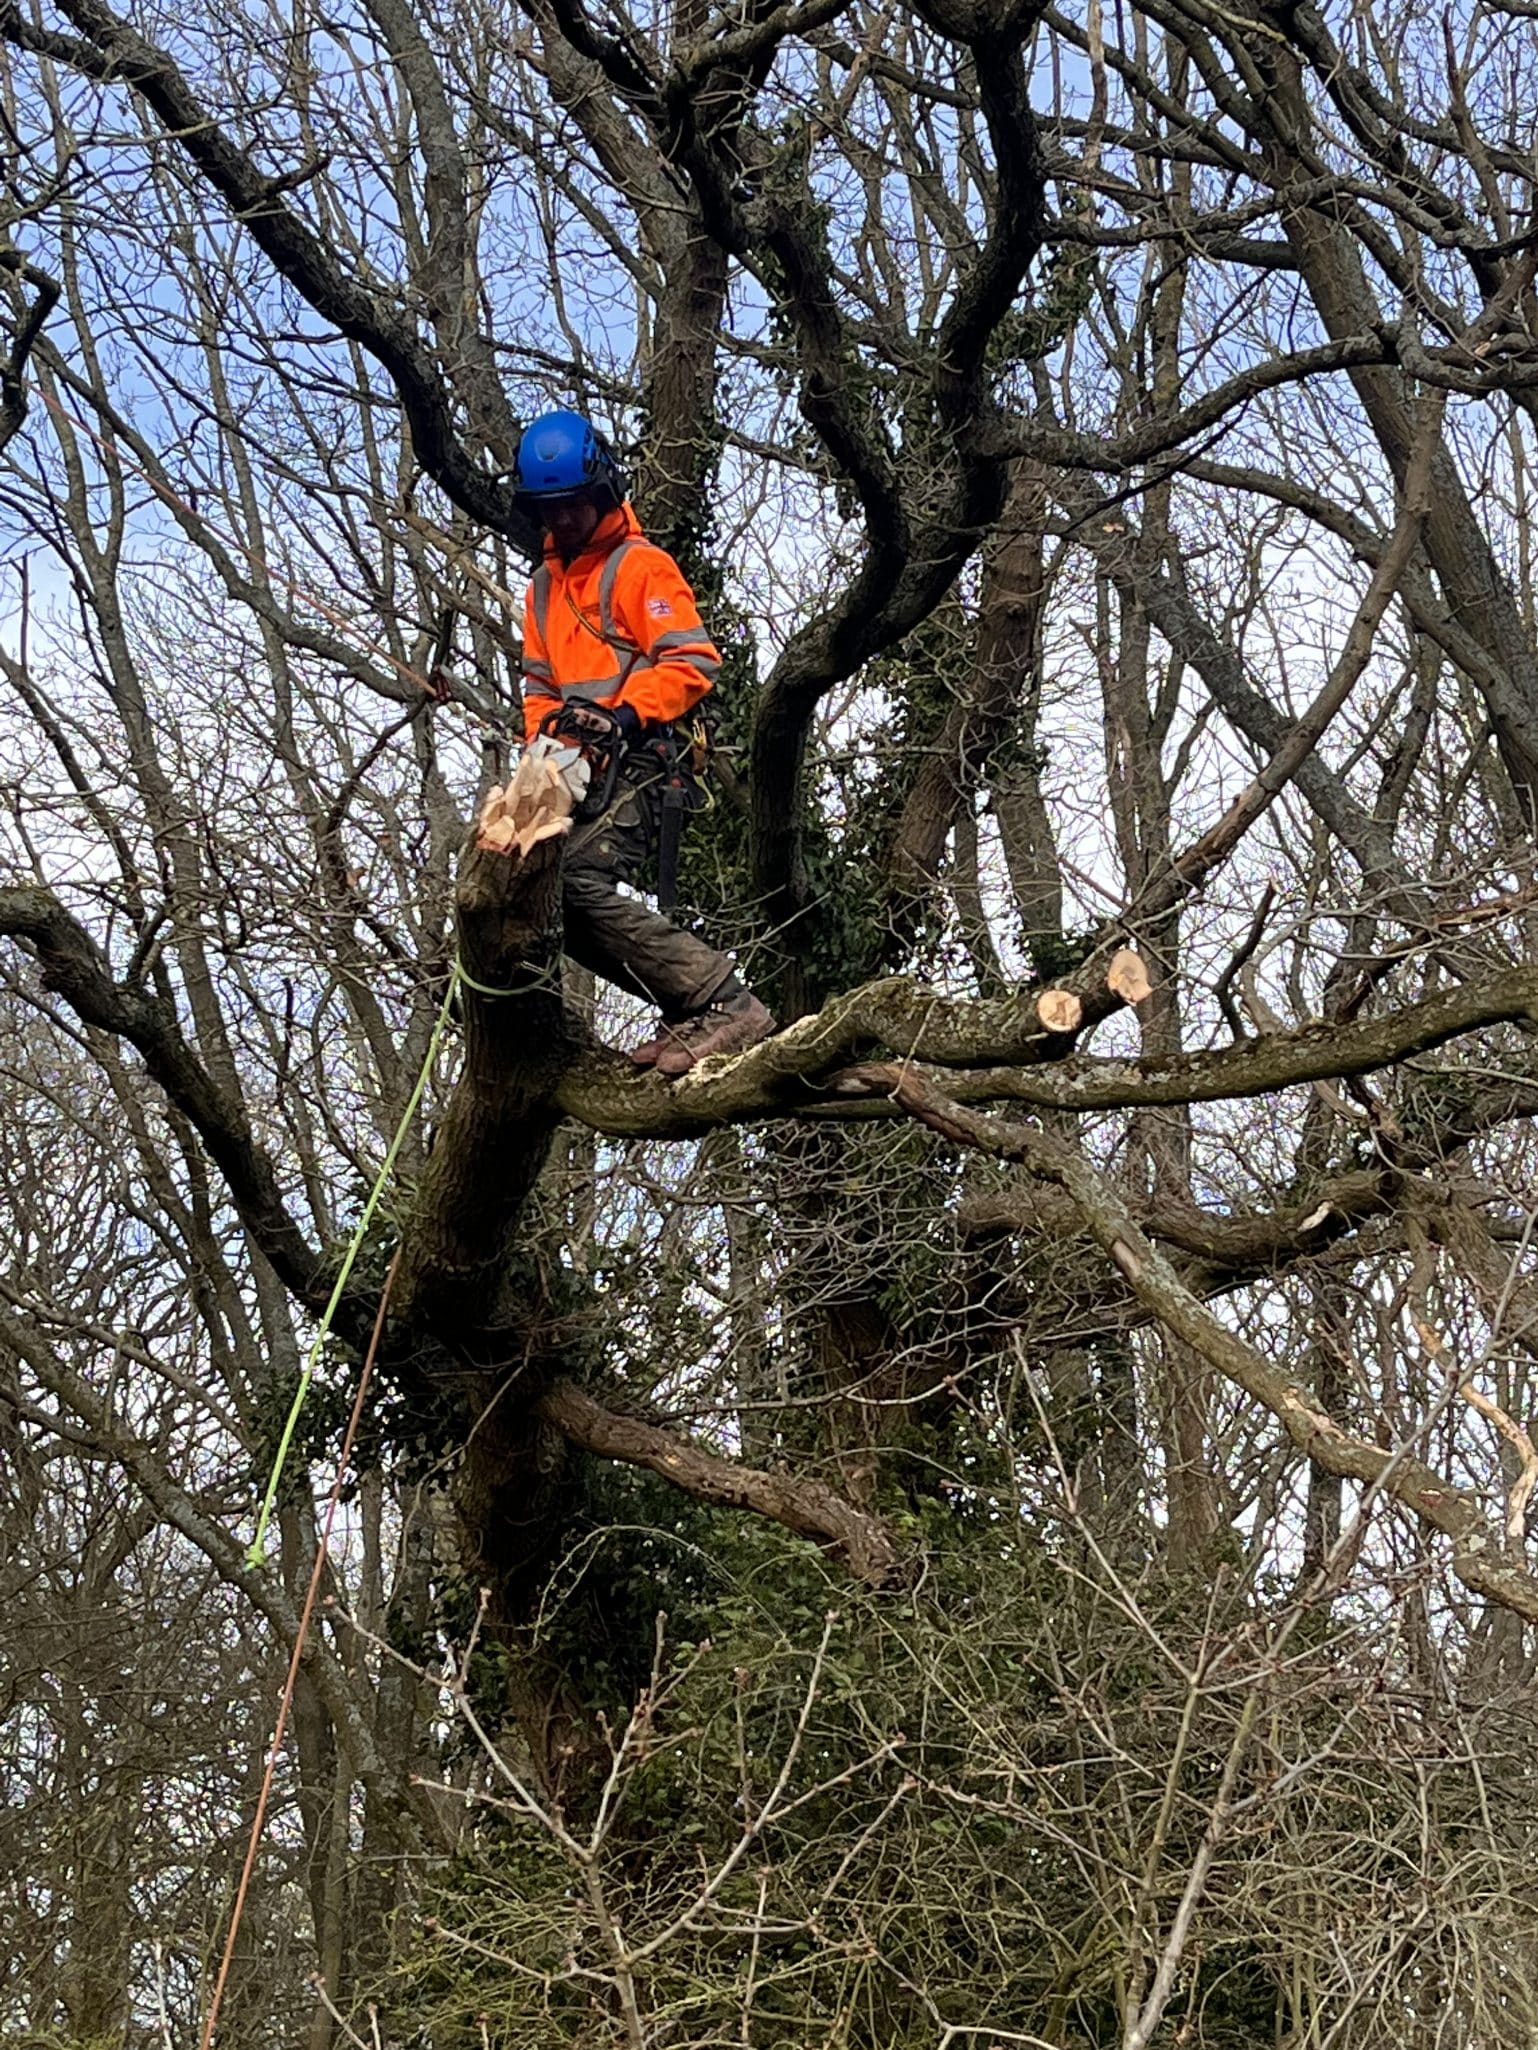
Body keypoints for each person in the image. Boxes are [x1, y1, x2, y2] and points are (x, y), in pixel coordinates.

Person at [513, 408, 774, 1075]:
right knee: (532, 891)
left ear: (599, 492)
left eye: (573, 505)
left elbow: (692, 661)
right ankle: (689, 1009)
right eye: (551, 508)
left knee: (571, 881)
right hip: (577, 770)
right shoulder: (542, 590)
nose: (564, 520)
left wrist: (625, 717)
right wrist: (543, 753)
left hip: (648, 759)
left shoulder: (640, 567)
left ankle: (726, 1002)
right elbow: (539, 689)